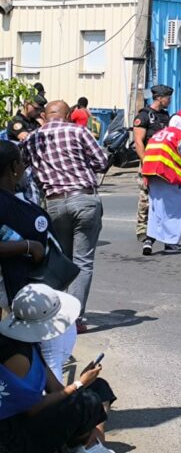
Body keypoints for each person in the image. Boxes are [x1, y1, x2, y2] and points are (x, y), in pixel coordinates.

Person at [0, 284, 128, 453]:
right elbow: (32, 409)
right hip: (12, 444)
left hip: (28, 422)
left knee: (98, 387)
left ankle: (87, 446)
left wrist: (84, 382)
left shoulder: (29, 343)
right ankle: (89, 449)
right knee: (86, 400)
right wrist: (79, 383)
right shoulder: (17, 357)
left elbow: (55, 388)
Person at [21, 101, 110, 333]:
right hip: (85, 199)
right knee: (83, 262)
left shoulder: (32, 138)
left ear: (44, 115)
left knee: (63, 260)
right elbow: (101, 163)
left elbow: (21, 170)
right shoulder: (79, 131)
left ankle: (56, 314)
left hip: (54, 202)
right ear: (69, 115)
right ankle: (75, 319)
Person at [0, 143, 77, 379]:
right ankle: (51, 400)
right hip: (20, 289)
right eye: (22, 162)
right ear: (14, 167)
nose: (24, 166)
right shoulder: (21, 209)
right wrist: (28, 246)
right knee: (52, 348)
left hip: (12, 292)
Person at [140, 110, 181, 255]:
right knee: (173, 211)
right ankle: (171, 244)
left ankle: (149, 239)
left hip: (151, 175)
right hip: (170, 176)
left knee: (156, 209)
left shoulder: (157, 134)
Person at [133, 84, 172, 248]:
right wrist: (146, 162)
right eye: (167, 97)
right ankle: (142, 229)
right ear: (159, 98)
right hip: (149, 162)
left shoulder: (165, 115)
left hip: (162, 163)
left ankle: (159, 228)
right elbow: (138, 142)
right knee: (145, 197)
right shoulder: (144, 116)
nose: (169, 100)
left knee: (162, 198)